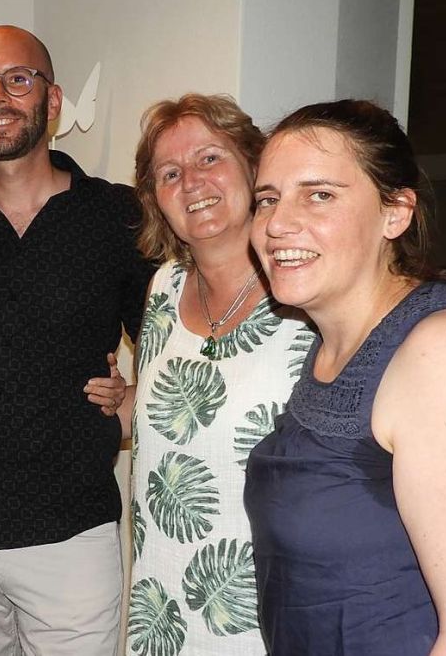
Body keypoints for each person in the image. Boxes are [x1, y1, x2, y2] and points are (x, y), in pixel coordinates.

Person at [245, 99, 446, 654]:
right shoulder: (330, 346)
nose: (276, 223)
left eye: (319, 194)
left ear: (395, 212)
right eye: (267, 199)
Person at [0, 24, 155, 654]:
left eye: (18, 79)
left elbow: (169, 341)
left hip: (69, 532)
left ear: (52, 99)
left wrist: (129, 403)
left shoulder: (116, 215)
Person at [124, 94, 313, 656]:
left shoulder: (305, 294)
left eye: (210, 158)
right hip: (160, 604)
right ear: (156, 199)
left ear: (253, 167)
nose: (191, 182)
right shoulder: (163, 287)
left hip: (263, 615)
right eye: (170, 173)